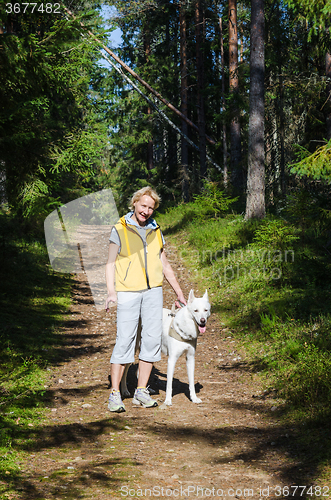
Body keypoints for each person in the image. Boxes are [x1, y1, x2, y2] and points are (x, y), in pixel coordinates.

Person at [105, 186, 186, 412]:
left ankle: (141, 390)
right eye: (143, 206)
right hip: (128, 292)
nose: (146, 211)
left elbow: (165, 265)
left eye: (151, 207)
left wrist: (179, 292)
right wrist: (111, 292)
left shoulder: (155, 230)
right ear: (135, 203)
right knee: (125, 341)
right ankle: (114, 393)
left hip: (153, 292)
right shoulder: (119, 229)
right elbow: (110, 263)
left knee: (151, 341)